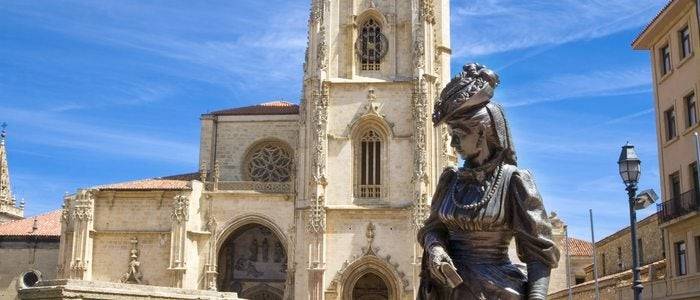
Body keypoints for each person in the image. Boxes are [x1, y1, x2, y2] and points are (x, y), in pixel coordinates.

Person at [418, 63, 560, 299]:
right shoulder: (450, 180)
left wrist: (536, 297)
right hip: (448, 290)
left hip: (496, 290)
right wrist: (436, 248)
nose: (453, 145)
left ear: (482, 133)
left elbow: (539, 251)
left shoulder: (513, 180)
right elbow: (432, 228)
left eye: (458, 136)